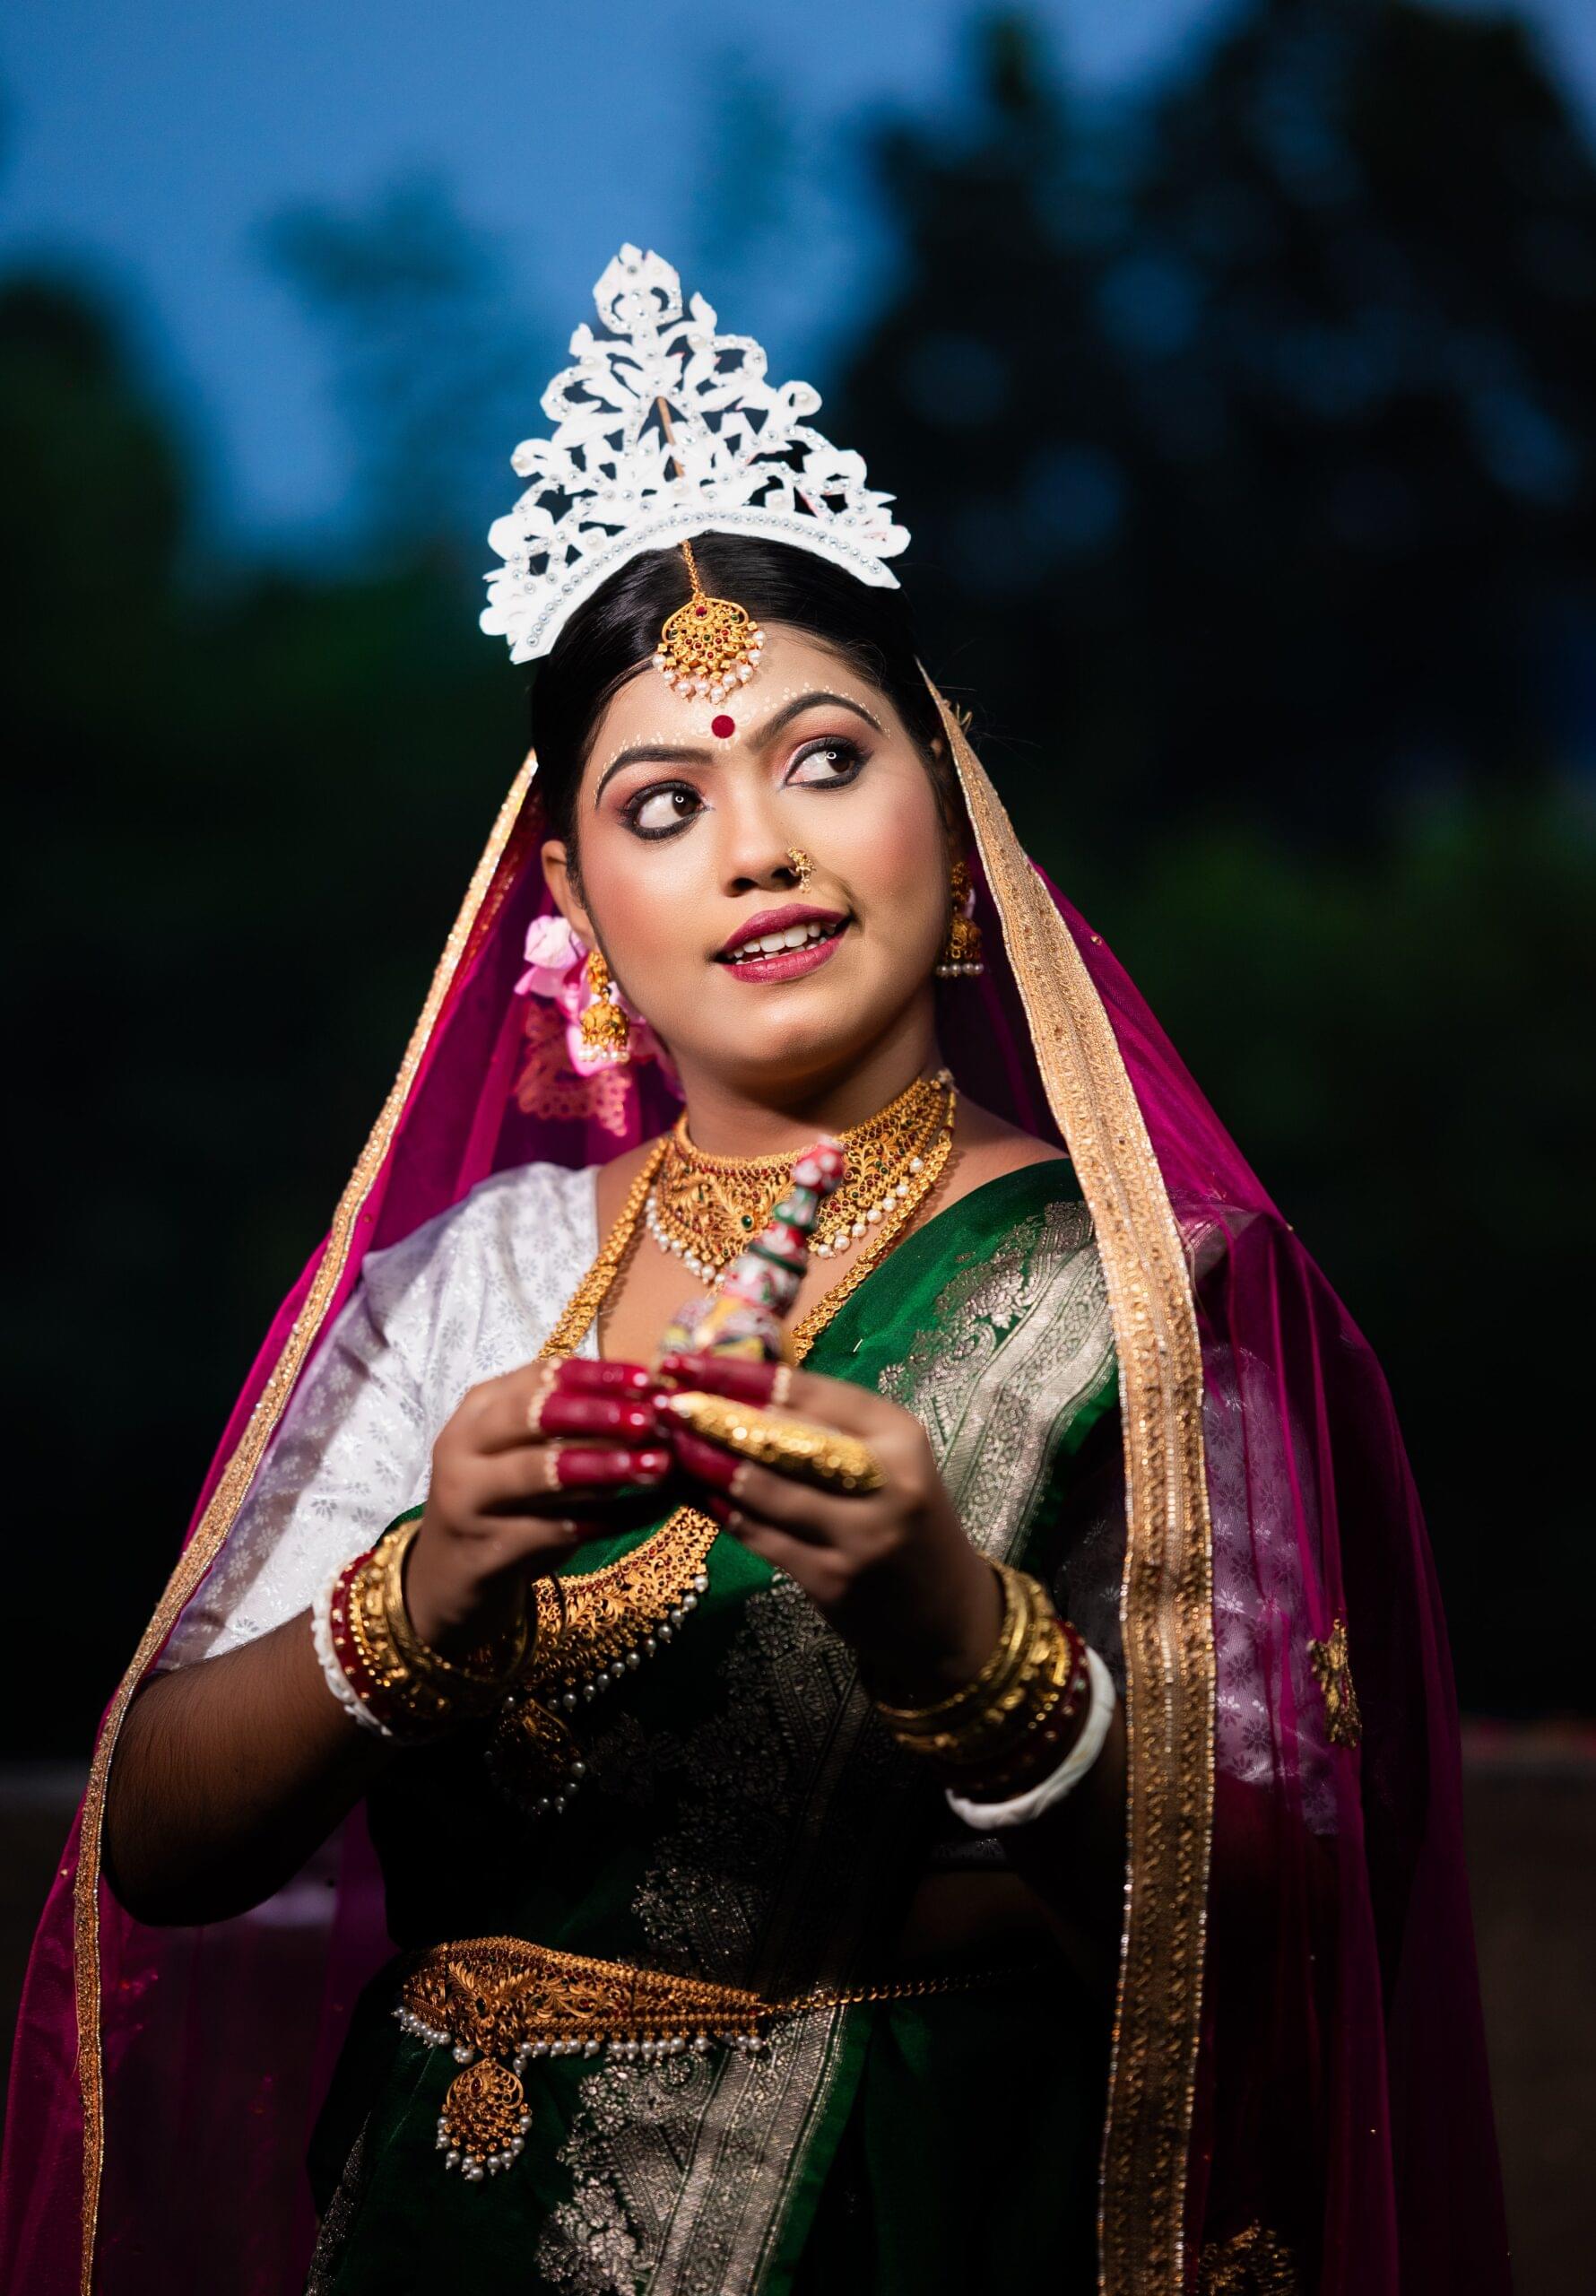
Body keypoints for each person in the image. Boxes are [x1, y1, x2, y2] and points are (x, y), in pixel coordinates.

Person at [0, 246, 1508, 2296]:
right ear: (570, 901)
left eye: (823, 757)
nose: (756, 845)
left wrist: (951, 1631)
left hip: (919, 2215)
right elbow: (158, 1848)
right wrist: (427, 1582)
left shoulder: (1149, 1294)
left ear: (949, 816)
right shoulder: (482, 1278)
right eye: (662, 798)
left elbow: (1283, 1933)